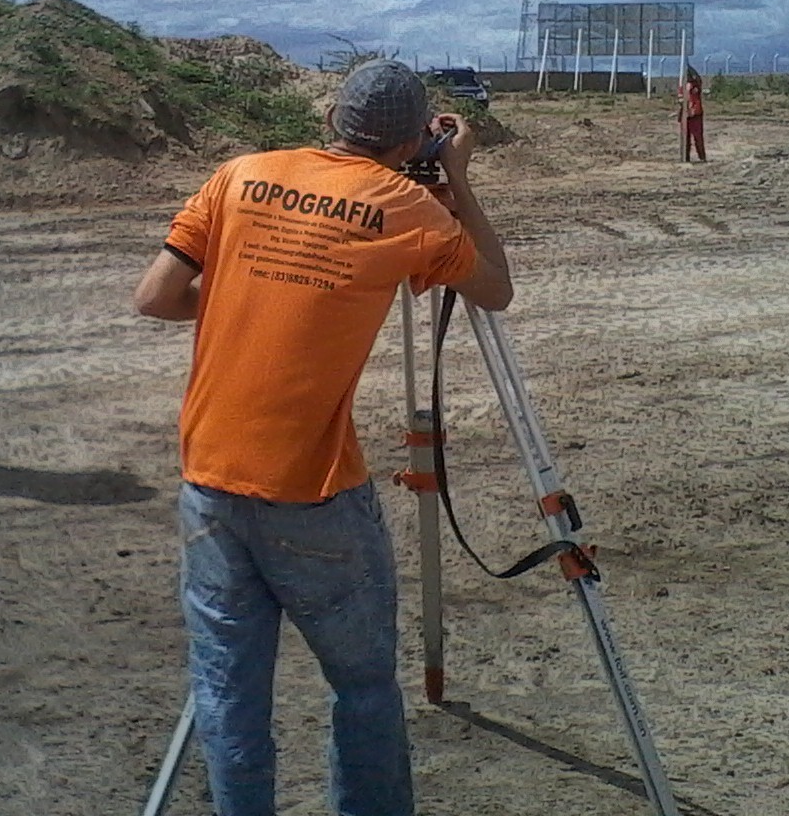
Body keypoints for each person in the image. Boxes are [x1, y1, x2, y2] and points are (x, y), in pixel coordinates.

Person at [133, 59, 513, 816]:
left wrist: (254, 289)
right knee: (364, 684)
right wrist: (457, 177)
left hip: (208, 475)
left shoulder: (239, 175)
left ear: (334, 120)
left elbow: (156, 296)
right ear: (412, 141)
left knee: (227, 689)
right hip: (311, 492)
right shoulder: (411, 208)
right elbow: (495, 288)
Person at [678, 63, 707, 162]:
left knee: (698, 137)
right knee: (685, 138)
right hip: (686, 115)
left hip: (696, 114)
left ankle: (702, 157)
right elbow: (680, 100)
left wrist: (689, 65)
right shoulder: (683, 87)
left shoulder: (696, 85)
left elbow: (698, 79)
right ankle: (685, 158)